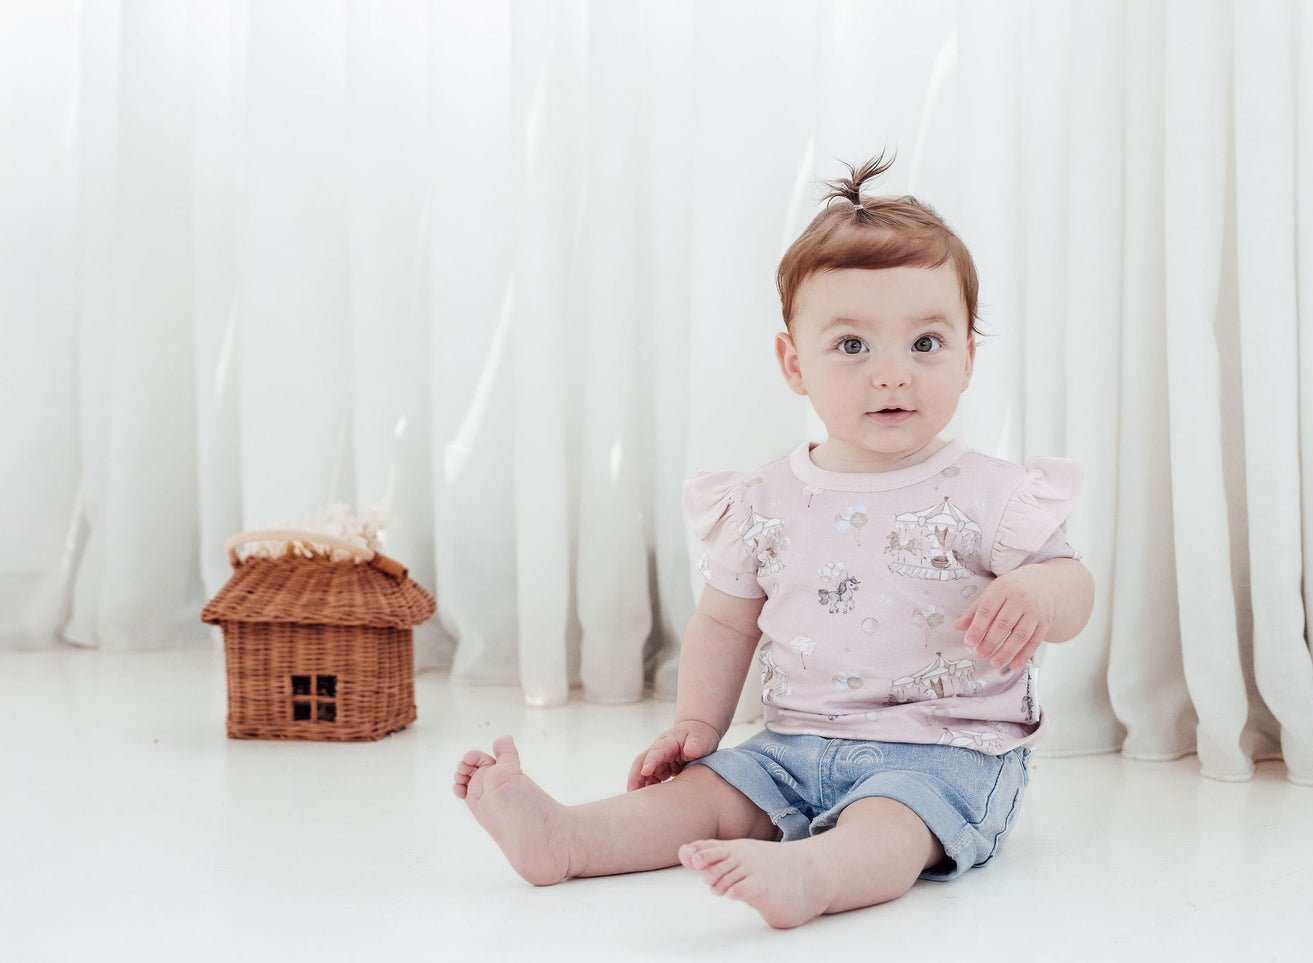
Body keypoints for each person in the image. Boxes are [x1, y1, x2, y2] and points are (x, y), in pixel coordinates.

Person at [452, 153, 1094, 929]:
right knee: (703, 795)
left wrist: (1037, 592)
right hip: (790, 742)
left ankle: (814, 874)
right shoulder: (762, 498)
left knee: (894, 822)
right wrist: (698, 723)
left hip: (945, 751)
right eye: (852, 346)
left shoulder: (993, 493)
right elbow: (724, 622)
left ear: (967, 358)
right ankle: (569, 837)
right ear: (794, 363)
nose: (892, 374)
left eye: (925, 343)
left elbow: (1071, 582)